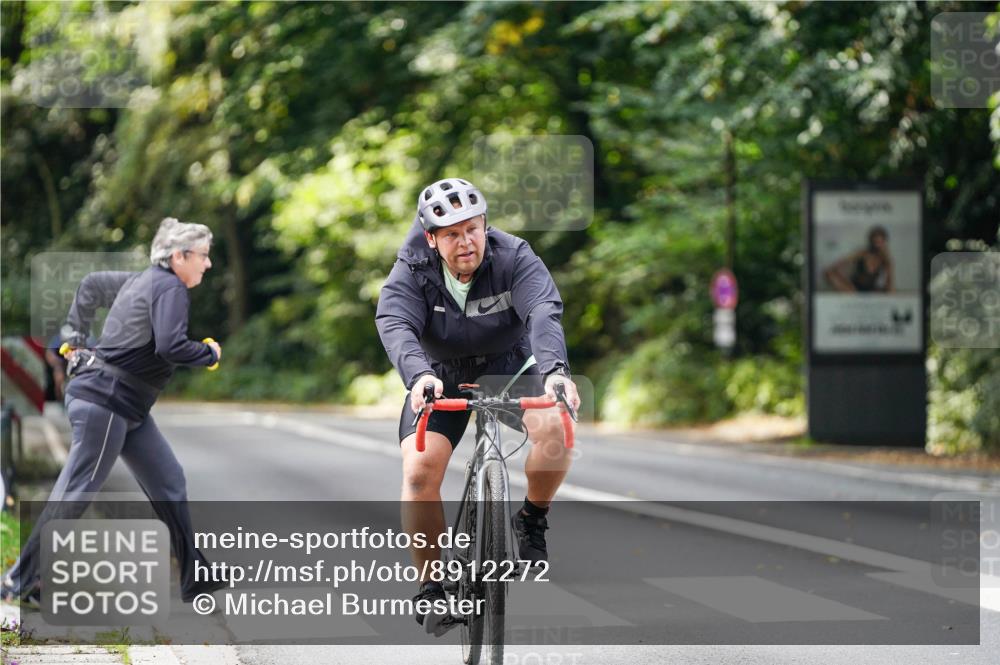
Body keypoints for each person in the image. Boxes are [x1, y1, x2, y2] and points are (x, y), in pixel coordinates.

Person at [375, 178, 581, 636]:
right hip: (438, 372)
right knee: (418, 471)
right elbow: (394, 322)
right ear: (431, 238)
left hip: (507, 362)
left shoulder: (513, 256)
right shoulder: (413, 268)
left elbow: (543, 310)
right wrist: (418, 375)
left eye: (473, 229)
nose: (466, 242)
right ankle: (431, 588)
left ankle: (531, 518)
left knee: (556, 431)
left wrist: (556, 372)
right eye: (451, 234)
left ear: (485, 224)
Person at [2, 217, 225, 607]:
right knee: (75, 491)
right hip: (106, 402)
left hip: (127, 406)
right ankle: (17, 581)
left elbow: (90, 286)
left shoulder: (144, 281)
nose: (207, 264)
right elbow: (171, 346)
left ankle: (194, 576)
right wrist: (208, 354)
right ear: (179, 256)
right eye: (203, 256)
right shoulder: (168, 287)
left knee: (168, 480)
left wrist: (75, 334)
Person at [824, 225, 895, 293]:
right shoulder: (862, 253)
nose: (877, 245)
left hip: (871, 290)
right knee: (829, 273)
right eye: (875, 242)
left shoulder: (885, 258)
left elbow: (889, 283)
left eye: (880, 242)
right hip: (854, 289)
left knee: (888, 291)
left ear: (884, 242)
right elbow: (836, 266)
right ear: (871, 242)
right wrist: (845, 283)